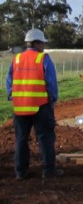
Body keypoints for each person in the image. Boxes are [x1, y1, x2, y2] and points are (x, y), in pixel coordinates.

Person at [5, 28, 62, 180]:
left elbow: (9, 82)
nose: (43, 46)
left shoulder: (16, 59)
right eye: (42, 43)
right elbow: (51, 83)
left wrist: (13, 96)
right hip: (40, 105)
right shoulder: (43, 58)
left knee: (21, 139)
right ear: (37, 43)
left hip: (20, 107)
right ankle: (48, 171)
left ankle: (20, 172)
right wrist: (53, 99)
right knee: (45, 137)